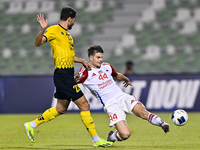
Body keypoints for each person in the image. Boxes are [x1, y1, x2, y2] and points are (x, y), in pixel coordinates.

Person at [24, 7, 113, 147]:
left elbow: (69, 56)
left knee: (60, 109)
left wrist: (82, 61)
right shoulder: (53, 30)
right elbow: (37, 43)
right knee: (85, 104)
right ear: (69, 19)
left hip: (67, 74)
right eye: (74, 20)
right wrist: (42, 29)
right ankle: (96, 140)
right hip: (62, 75)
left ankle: (32, 125)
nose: (74, 23)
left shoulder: (68, 35)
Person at [75, 45, 169, 143]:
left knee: (143, 113)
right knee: (125, 134)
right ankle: (112, 136)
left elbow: (116, 75)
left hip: (122, 97)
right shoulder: (85, 72)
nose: (100, 60)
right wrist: (75, 80)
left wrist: (125, 79)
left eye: (101, 57)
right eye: (98, 57)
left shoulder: (106, 66)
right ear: (91, 57)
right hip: (111, 104)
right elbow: (73, 81)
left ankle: (162, 123)